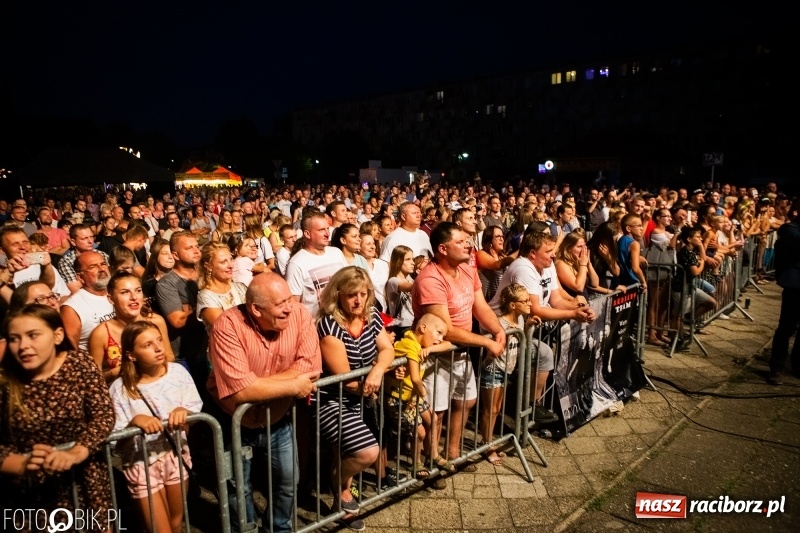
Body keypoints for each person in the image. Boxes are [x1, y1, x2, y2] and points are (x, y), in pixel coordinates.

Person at [207, 273, 321, 533]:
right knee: (237, 487)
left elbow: (310, 368)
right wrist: (292, 385)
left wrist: (255, 385)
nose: (289, 307)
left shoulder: (300, 315)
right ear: (256, 309)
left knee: (287, 483)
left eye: (289, 299)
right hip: (233, 422)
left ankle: (279, 529)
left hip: (278, 419)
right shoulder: (227, 326)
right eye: (280, 303)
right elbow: (240, 392)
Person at [0, 305, 115, 531]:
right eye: (14, 339)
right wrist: (21, 464)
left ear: (57, 335)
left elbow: (103, 414)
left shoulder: (79, 364)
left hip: (85, 481)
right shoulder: (5, 382)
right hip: (31, 496)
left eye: (33, 335)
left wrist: (78, 451)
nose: (23, 346)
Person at [411, 222, 506, 469]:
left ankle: (452, 453)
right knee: (436, 412)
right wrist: (486, 341)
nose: (468, 245)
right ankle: (432, 461)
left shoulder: (466, 269)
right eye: (460, 242)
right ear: (443, 249)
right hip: (436, 355)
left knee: (466, 401)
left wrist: (498, 330)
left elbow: (480, 306)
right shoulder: (430, 279)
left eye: (467, 240)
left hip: (461, 352)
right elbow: (446, 329)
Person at [315, 266, 395, 531]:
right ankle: (338, 484)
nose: (358, 300)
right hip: (332, 400)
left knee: (346, 449)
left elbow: (387, 349)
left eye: (363, 294)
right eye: (352, 295)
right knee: (366, 451)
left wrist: (378, 370)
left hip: (360, 396)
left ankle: (340, 501)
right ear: (338, 294)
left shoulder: (371, 316)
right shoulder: (329, 326)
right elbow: (346, 380)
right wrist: (370, 383)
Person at [489, 231, 595, 422]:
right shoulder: (524, 268)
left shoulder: (547, 265)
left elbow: (556, 300)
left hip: (520, 328)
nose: (553, 255)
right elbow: (536, 310)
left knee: (542, 355)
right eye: (548, 251)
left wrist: (580, 309)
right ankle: (523, 410)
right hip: (500, 328)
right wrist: (573, 314)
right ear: (532, 253)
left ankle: (530, 407)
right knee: (527, 362)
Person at [109, 321, 202, 533]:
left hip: (175, 455)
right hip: (141, 464)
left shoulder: (178, 373)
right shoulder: (120, 389)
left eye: (159, 340)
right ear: (131, 355)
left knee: (176, 523)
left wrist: (185, 413)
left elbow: (196, 414)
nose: (159, 348)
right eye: (148, 345)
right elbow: (116, 444)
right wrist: (133, 423)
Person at [387, 313, 453, 484]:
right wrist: (423, 394)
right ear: (423, 328)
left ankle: (434, 455)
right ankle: (416, 463)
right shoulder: (410, 345)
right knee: (420, 432)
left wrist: (430, 349)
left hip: (412, 396)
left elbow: (449, 344)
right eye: (438, 333)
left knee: (432, 419)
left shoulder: (419, 344)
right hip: (400, 399)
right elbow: (416, 379)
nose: (440, 339)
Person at [480, 283, 535, 465]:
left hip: (506, 371)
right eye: (525, 301)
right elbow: (492, 349)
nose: (530, 303)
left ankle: (488, 442)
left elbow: (520, 341)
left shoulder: (519, 320)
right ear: (512, 305)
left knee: (496, 409)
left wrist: (528, 326)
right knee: (490, 410)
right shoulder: (499, 324)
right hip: (493, 370)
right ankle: (487, 446)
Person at [89, 272, 173, 384]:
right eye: (125, 292)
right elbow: (94, 378)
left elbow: (169, 356)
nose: (134, 297)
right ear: (111, 299)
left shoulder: (156, 321)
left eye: (138, 291)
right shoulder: (101, 333)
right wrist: (120, 371)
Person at [156, 231, 207, 386]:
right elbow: (178, 320)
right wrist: (210, 305)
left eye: (197, 246)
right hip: (186, 356)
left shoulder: (207, 275)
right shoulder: (166, 284)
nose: (196, 250)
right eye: (189, 248)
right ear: (175, 255)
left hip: (210, 348)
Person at [285, 211, 347, 317]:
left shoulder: (336, 253)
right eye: (321, 230)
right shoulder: (296, 263)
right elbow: (294, 305)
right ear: (307, 234)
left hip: (343, 320)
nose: (327, 234)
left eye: (327, 228)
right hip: (315, 324)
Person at [768, 199, 800, 385]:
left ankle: (797, 364)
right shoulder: (791, 229)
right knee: (786, 327)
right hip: (795, 285)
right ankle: (776, 367)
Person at [60, 250, 116, 352]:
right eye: (93, 267)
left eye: (103, 264)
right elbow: (71, 352)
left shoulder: (118, 292)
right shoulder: (72, 308)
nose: (101, 269)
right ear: (80, 277)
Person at [197, 242, 248, 333]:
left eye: (231, 259)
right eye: (223, 262)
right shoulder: (206, 297)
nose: (231, 265)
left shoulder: (240, 287)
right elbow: (225, 328)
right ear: (208, 266)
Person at [554, 230, 600, 300]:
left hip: (585, 301)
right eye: (579, 246)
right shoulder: (561, 264)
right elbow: (578, 287)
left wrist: (588, 264)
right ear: (569, 248)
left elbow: (595, 284)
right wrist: (583, 265)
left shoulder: (578, 261)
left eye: (584, 246)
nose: (583, 249)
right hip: (573, 302)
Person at [477, 225, 517, 303]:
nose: (501, 239)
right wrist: (521, 250)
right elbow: (496, 265)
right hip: (489, 303)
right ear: (489, 239)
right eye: (498, 236)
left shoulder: (502, 255)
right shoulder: (481, 254)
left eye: (502, 236)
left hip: (503, 301)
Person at [385, 245, 416, 337]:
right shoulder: (393, 281)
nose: (413, 263)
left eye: (412, 259)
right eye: (408, 259)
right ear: (398, 261)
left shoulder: (411, 280)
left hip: (415, 323)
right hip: (403, 326)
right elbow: (410, 287)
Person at [358, 231, 389, 312]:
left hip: (388, 310)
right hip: (369, 310)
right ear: (359, 247)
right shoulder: (357, 265)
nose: (373, 247)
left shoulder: (383, 264)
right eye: (368, 244)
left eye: (373, 243)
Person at [142, 238, 174, 315]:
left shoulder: (180, 279)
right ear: (155, 256)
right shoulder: (147, 283)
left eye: (172, 253)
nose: (170, 257)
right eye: (165, 253)